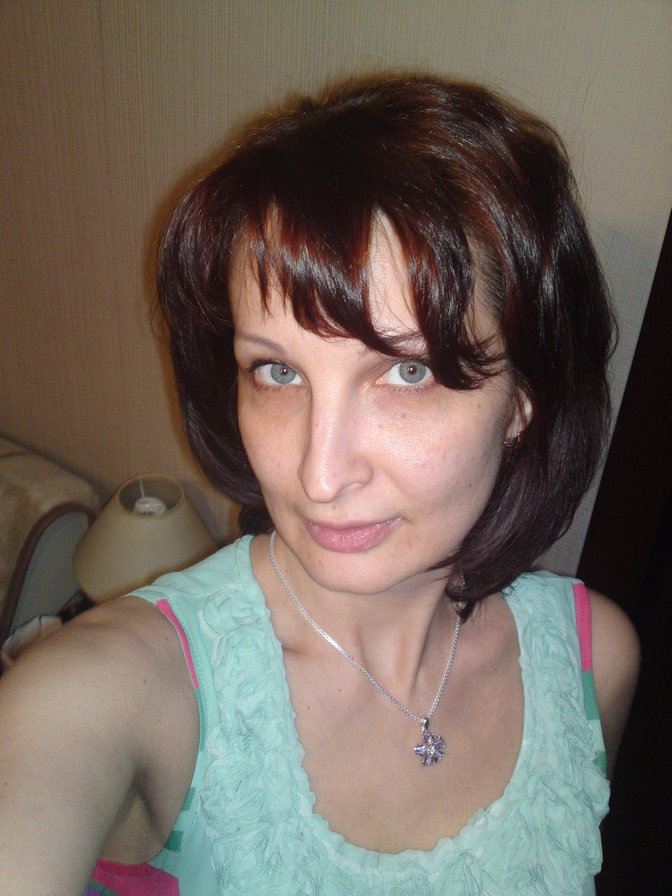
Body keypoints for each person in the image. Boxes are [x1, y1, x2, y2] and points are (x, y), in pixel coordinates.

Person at [0, 74, 639, 895]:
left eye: (407, 371)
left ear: (522, 402)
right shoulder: (115, 692)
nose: (318, 474)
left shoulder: (592, 662)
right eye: (276, 371)